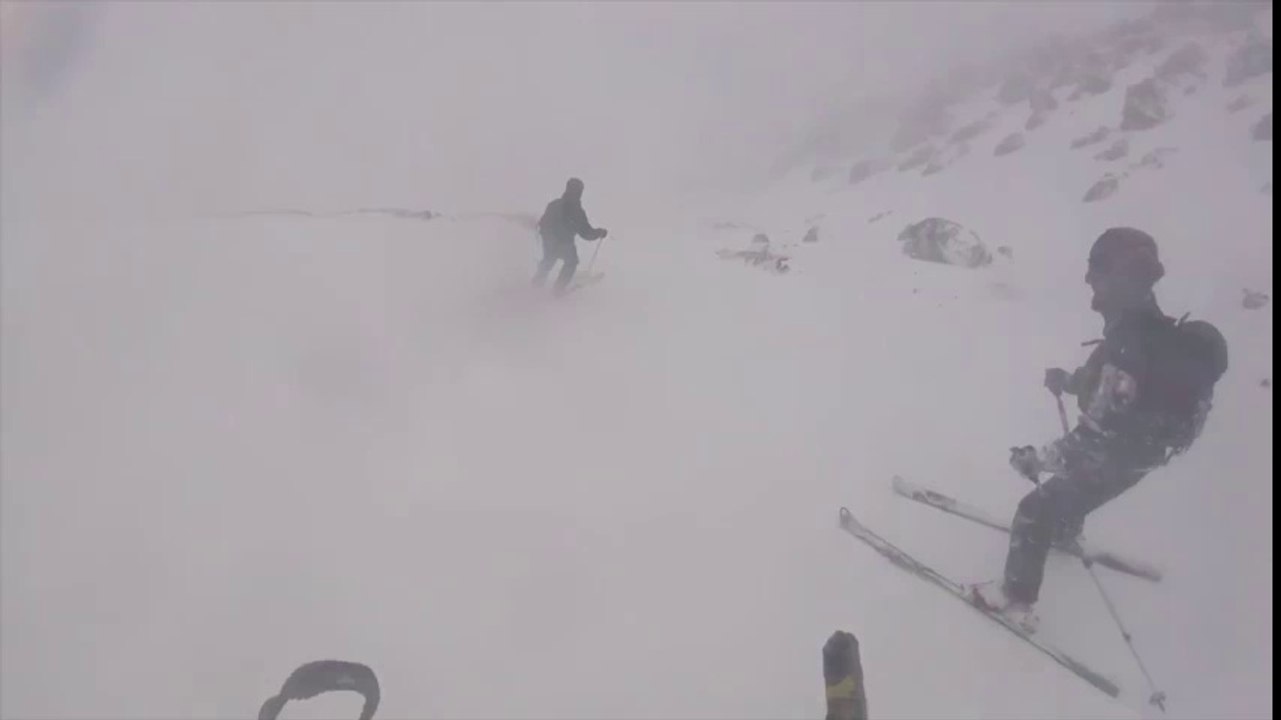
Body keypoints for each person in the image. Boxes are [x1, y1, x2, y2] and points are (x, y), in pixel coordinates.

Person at [970, 227, 1228, 631]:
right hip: (1144, 457)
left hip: (1116, 456)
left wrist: (1038, 460)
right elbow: (1117, 390)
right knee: (1075, 494)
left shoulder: (1129, 342)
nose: (1090, 280)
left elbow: (1098, 432)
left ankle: (1014, 598)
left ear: (1122, 278)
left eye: (1098, 271)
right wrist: (1070, 382)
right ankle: (1066, 527)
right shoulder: (1149, 331)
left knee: (1033, 510)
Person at [534, 177, 608, 294]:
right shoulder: (577, 211)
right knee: (571, 262)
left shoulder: (554, 204)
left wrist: (546, 237)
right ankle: (558, 290)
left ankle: (536, 284)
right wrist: (599, 233)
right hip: (564, 243)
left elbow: (543, 223)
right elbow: (586, 232)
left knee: (549, 260)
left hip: (549, 241)